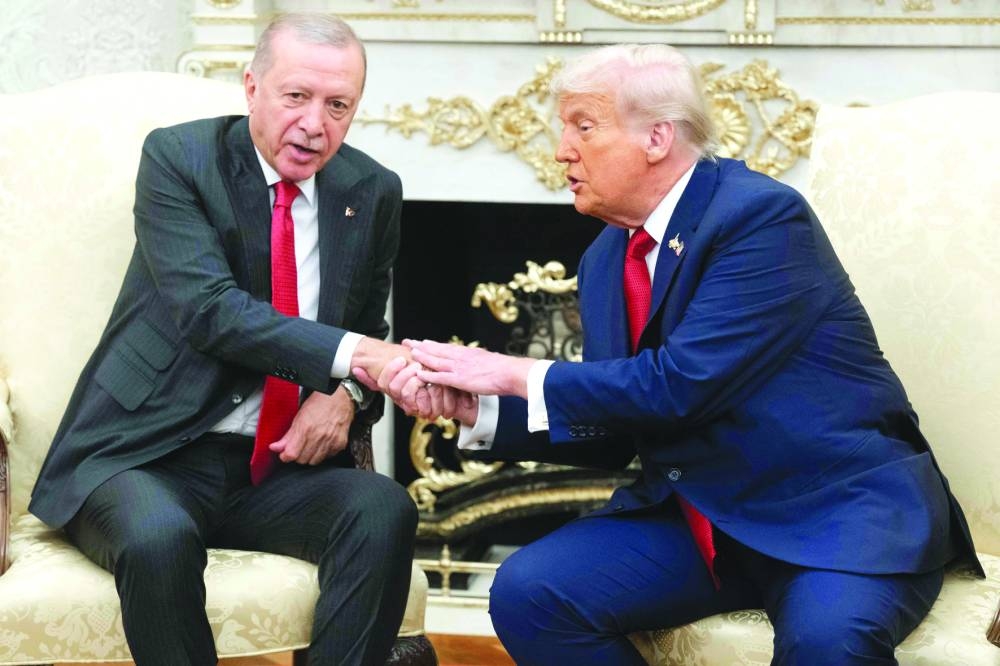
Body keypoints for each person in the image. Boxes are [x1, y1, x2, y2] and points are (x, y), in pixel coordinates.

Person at [363, 44, 983, 664]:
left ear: (658, 136)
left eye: (583, 126)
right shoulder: (608, 256)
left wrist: (515, 371)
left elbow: (680, 385)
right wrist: (479, 409)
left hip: (832, 515)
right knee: (534, 592)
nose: (560, 151)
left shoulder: (760, 218)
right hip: (704, 521)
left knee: (827, 645)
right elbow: (616, 429)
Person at [29, 13, 417, 666]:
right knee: (159, 539)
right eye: (296, 96)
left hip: (273, 471)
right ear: (251, 88)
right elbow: (210, 312)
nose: (315, 124)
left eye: (338, 105)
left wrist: (346, 395)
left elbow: (367, 328)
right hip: (143, 453)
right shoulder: (179, 160)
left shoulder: (371, 190)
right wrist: (357, 360)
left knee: (382, 509)